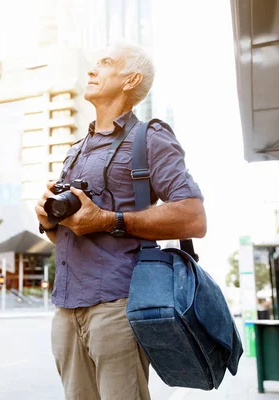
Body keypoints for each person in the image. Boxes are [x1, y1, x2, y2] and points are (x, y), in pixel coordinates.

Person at [34, 42, 206, 400]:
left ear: (131, 80)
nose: (92, 70)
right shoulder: (75, 151)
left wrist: (109, 219)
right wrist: (51, 223)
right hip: (66, 309)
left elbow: (193, 217)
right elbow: (75, 232)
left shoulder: (150, 138)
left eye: (105, 63)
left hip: (116, 306)